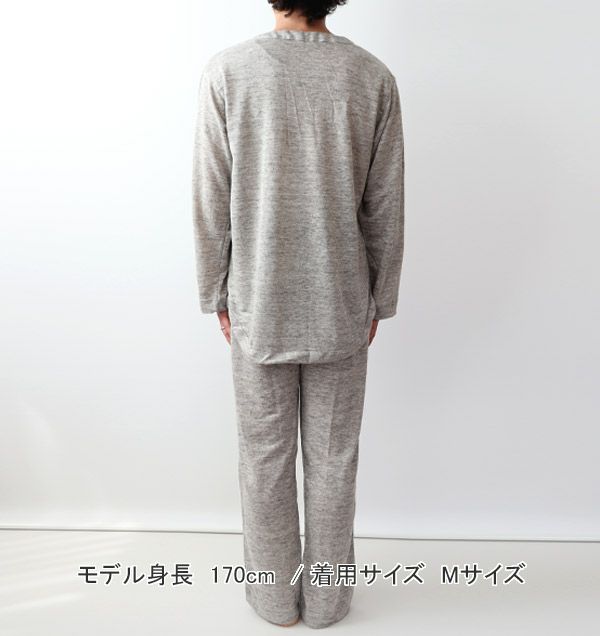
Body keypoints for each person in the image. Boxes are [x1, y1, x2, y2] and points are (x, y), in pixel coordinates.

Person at [192, 0, 404, 628]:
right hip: (342, 302)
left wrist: (216, 290)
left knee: (264, 459)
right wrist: (380, 295)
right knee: (334, 461)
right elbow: (385, 203)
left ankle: (274, 601)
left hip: (258, 302)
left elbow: (210, 195)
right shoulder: (371, 77)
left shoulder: (229, 72)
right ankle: (329, 603)